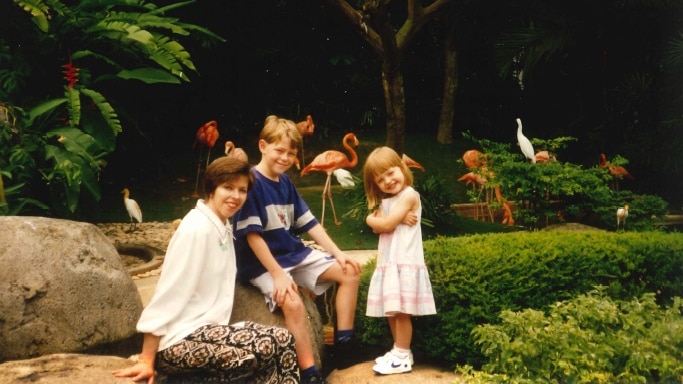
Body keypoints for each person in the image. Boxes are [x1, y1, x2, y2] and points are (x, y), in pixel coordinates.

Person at [112, 157, 299, 384]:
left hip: (207, 333)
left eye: (242, 190)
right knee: (265, 346)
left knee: (283, 338)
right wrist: (146, 359)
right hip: (177, 343)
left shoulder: (221, 225)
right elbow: (168, 294)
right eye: (227, 188)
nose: (235, 196)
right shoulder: (196, 230)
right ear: (211, 188)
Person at [232, 115, 362, 383]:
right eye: (279, 150)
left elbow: (310, 223)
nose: (285, 158)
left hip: (291, 253)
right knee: (291, 301)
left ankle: (345, 347)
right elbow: (253, 237)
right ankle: (309, 372)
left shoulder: (286, 183)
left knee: (349, 272)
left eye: (291, 153)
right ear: (262, 146)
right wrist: (278, 275)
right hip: (261, 263)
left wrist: (338, 253)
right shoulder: (251, 182)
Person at [362, 146, 437, 375]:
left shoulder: (409, 195)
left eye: (391, 172)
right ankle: (398, 350)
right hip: (390, 264)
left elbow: (382, 224)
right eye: (381, 179)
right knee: (392, 311)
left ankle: (403, 353)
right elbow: (381, 226)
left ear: (402, 168)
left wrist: (370, 219)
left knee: (402, 312)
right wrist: (386, 219)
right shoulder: (389, 201)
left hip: (404, 262)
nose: (388, 181)